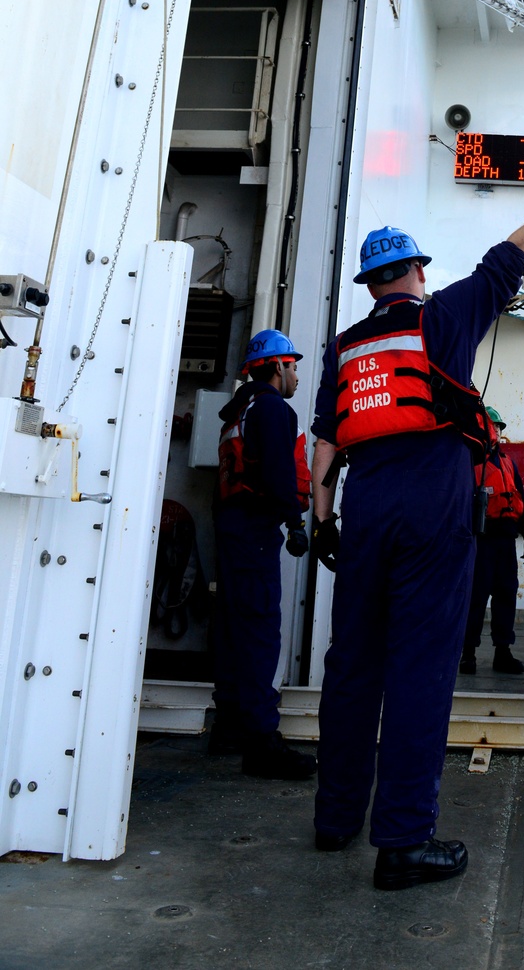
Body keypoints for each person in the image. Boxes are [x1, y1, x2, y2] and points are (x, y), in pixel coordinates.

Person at [310, 158, 524, 891]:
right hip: (434, 498)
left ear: (371, 285)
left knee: (352, 665)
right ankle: (403, 840)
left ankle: (335, 817)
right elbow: (512, 257)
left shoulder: (345, 348)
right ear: (414, 274)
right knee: (420, 670)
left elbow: (324, 441)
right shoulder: (445, 317)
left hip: (363, 503)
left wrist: (319, 518)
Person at [211, 330, 317, 780]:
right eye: (292, 366)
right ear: (277, 367)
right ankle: (262, 745)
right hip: (255, 528)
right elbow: (276, 471)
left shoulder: (237, 412)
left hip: (231, 526)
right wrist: (294, 521)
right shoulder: (274, 409)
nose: (295, 374)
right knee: (259, 633)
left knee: (234, 629)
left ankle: (230, 726)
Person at [459, 406, 524, 677]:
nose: (496, 432)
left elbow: (519, 497)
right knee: (475, 598)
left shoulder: (508, 462)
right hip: (481, 540)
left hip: (505, 540)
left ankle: (503, 652)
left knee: (506, 596)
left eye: (499, 428)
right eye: (492, 426)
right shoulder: (469, 461)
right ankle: (468, 653)